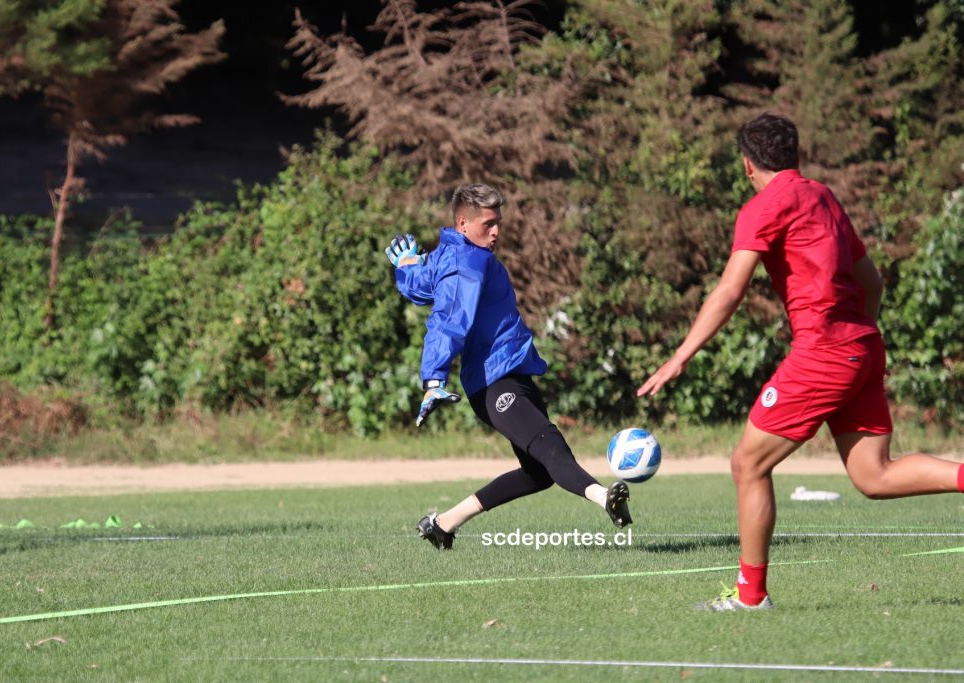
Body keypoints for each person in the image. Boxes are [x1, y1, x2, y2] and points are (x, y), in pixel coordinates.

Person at [637, 113, 964, 610]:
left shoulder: (762, 207)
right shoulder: (823, 196)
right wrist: (857, 338)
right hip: (862, 345)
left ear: (748, 165)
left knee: (748, 463)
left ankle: (750, 597)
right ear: (794, 155)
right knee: (873, 476)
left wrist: (680, 356)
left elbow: (730, 290)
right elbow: (872, 282)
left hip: (824, 352)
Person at [386, 183, 632, 549]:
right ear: (463, 223)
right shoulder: (468, 262)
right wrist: (433, 378)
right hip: (495, 382)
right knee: (549, 446)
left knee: (538, 474)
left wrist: (407, 267)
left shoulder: (450, 254)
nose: (496, 231)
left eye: (498, 221)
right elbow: (448, 321)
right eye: (488, 223)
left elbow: (422, 286)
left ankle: (443, 524)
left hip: (511, 375)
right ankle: (604, 496)